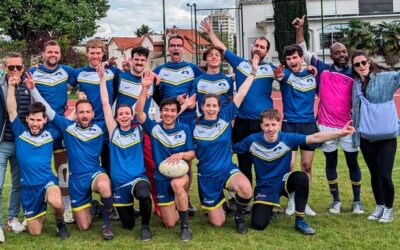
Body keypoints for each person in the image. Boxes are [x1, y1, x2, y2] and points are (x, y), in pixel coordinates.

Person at [232, 109, 355, 235]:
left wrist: (340, 133)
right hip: (265, 187)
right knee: (258, 224)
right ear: (261, 126)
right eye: (267, 125)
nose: (270, 129)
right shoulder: (252, 141)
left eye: (273, 124)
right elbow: (231, 150)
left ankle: (300, 221)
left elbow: (314, 137)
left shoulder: (287, 138)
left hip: (284, 182)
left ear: (279, 124)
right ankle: (268, 207)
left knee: (301, 177)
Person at [25, 81, 115, 240]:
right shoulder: (67, 126)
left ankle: (106, 225)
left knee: (104, 185)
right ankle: (95, 208)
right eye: (81, 112)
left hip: (95, 173)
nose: (85, 115)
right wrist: (33, 89)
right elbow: (49, 110)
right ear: (76, 113)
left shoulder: (101, 127)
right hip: (76, 181)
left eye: (88, 112)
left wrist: (102, 79)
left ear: (93, 114)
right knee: (84, 226)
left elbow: (107, 104)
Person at [293, 15, 362, 214]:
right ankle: (336, 200)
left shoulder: (354, 73)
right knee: (331, 162)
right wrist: (300, 28)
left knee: (352, 163)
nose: (341, 54)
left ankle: (357, 201)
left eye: (343, 51)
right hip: (325, 125)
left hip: (348, 125)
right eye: (337, 52)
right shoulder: (323, 69)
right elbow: (303, 52)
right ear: (331, 56)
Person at [201, 18, 275, 188]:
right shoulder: (240, 64)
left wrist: (309, 68)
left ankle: (264, 199)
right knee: (244, 162)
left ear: (267, 52)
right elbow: (222, 48)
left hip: (262, 123)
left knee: (264, 161)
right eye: (256, 45)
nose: (258, 49)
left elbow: (291, 70)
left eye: (262, 47)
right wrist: (210, 32)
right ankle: (245, 198)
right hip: (242, 122)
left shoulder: (271, 68)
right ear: (252, 47)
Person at [191, 54, 259, 233]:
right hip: (207, 176)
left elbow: (242, 93)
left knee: (245, 189)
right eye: (208, 106)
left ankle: (239, 215)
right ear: (202, 107)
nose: (211, 109)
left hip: (226, 169)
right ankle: (221, 200)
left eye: (214, 106)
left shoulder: (226, 116)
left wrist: (252, 72)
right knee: (218, 223)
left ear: (219, 107)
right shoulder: (193, 126)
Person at [6, 76, 69, 239]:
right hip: (28, 188)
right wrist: (11, 87)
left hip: (47, 182)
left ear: (44, 120)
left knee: (56, 201)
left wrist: (34, 89)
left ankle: (60, 222)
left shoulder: (50, 134)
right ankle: (38, 210)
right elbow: (12, 110)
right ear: (27, 119)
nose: (35, 123)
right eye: (32, 119)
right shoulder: (20, 132)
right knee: (35, 232)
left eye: (39, 120)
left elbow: (60, 121)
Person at [135, 76, 195, 241]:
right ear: (161, 112)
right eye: (166, 110)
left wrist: (181, 155)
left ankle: (185, 228)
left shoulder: (184, 129)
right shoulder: (154, 129)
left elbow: (192, 153)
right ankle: (179, 205)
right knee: (169, 223)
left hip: (180, 175)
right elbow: (139, 112)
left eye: (172, 110)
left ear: (177, 113)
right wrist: (144, 88)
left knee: (177, 184)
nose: (169, 113)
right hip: (161, 177)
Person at [99, 63, 153, 241]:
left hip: (138, 178)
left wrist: (144, 88)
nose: (124, 116)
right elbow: (106, 103)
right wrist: (101, 79)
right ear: (116, 117)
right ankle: (128, 211)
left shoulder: (139, 130)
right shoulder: (113, 131)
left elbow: (140, 107)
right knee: (128, 225)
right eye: (120, 114)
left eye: (126, 114)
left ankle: (145, 226)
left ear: (131, 116)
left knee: (144, 194)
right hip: (120, 184)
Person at [153, 35, 203, 214]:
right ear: (168, 49)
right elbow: (156, 95)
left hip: (188, 119)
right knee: (165, 156)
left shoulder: (193, 69)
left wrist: (190, 100)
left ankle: (185, 198)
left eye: (179, 46)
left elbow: (199, 89)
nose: (175, 49)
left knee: (186, 160)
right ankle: (167, 197)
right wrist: (172, 102)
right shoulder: (159, 69)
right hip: (167, 118)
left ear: (183, 49)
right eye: (172, 46)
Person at [29, 40, 75, 223]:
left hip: (59, 127)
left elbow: (89, 76)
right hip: (39, 128)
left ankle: (68, 207)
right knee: (37, 168)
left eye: (56, 52)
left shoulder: (66, 71)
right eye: (49, 52)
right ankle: (34, 209)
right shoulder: (33, 73)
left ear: (60, 54)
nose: (53, 55)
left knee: (63, 169)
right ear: (43, 54)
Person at [351, 50, 400, 223]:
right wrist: (356, 136)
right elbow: (356, 111)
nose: (361, 66)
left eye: (364, 62)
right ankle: (379, 206)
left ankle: (389, 209)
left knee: (385, 174)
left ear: (369, 62)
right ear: (354, 67)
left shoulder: (384, 78)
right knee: (374, 173)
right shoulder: (355, 84)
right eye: (357, 64)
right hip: (366, 137)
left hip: (386, 137)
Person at [273, 44, 318, 216]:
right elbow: (276, 74)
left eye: (295, 58)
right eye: (289, 58)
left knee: (306, 166)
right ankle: (292, 200)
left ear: (301, 58)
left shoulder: (312, 74)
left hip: (308, 125)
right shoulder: (284, 75)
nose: (292, 61)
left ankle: (303, 201)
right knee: (289, 165)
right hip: (290, 124)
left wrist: (313, 68)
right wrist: (277, 76)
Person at [115, 46, 160, 216]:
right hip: (124, 130)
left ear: (146, 62)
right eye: (137, 59)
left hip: (144, 130)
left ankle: (157, 203)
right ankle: (122, 204)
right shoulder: (120, 77)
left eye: (142, 60)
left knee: (151, 166)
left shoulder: (151, 80)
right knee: (124, 167)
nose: (139, 62)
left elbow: (161, 101)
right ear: (131, 59)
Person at [69, 38, 120, 176]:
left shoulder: (113, 72)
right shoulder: (78, 73)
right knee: (87, 163)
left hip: (108, 124)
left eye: (98, 53)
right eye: (92, 53)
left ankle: (111, 195)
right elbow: (63, 86)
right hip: (88, 125)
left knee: (109, 162)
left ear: (103, 53)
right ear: (86, 53)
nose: (95, 56)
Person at [0, 53, 28, 242]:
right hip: (2, 142)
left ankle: (12, 218)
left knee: (18, 183)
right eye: (11, 68)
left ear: (23, 68)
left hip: (22, 144)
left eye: (18, 67)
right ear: (4, 68)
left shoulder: (29, 85)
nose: (15, 71)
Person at [191, 46, 233, 113]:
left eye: (217, 55)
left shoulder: (228, 80)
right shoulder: (197, 80)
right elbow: (191, 104)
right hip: (204, 120)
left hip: (223, 119)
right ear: (205, 60)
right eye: (210, 55)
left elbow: (231, 102)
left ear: (220, 61)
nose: (214, 57)